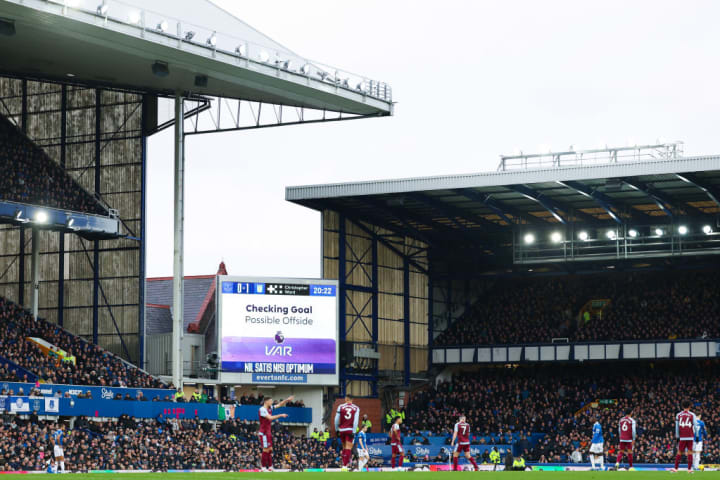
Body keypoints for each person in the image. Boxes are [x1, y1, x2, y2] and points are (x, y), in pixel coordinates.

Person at [258, 394, 294, 471]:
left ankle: (270, 467)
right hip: (263, 432)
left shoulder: (270, 408)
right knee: (265, 450)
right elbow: (270, 417)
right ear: (266, 401)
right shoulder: (262, 409)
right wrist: (281, 415)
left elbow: (279, 405)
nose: (272, 402)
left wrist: (287, 400)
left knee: (270, 449)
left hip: (268, 432)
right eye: (270, 401)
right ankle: (263, 467)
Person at [335, 394, 360, 470]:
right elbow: (356, 421)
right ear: (352, 399)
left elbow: (336, 419)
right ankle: (345, 466)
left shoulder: (340, 406)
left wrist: (337, 430)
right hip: (350, 430)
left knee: (344, 447)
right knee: (348, 448)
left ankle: (343, 465)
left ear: (346, 399)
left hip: (342, 430)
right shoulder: (356, 408)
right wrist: (354, 431)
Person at [674, 400, 697, 472]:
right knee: (690, 452)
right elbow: (695, 426)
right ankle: (689, 469)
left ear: (682, 406)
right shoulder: (692, 415)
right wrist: (696, 435)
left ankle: (676, 468)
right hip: (690, 436)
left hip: (682, 436)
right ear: (690, 406)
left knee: (679, 452)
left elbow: (677, 427)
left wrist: (677, 436)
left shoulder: (678, 415)